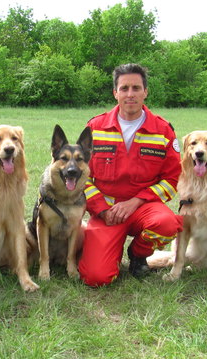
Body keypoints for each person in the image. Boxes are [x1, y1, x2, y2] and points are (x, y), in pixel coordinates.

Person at [78, 63, 183, 287]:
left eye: (136, 88)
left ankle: (138, 254)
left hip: (143, 206)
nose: (130, 94)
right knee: (96, 278)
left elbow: (172, 180)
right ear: (115, 93)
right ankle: (104, 248)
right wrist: (101, 209)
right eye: (124, 88)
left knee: (167, 224)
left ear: (145, 92)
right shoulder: (95, 127)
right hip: (107, 211)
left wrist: (136, 202)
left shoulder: (163, 130)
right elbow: (81, 176)